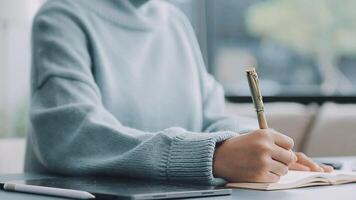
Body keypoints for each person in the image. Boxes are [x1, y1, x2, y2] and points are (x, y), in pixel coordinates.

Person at [25, 0, 332, 184]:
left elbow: (213, 117)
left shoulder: (174, 22)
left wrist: (258, 147)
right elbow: (70, 135)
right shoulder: (61, 15)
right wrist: (213, 156)